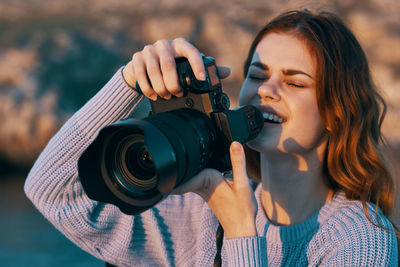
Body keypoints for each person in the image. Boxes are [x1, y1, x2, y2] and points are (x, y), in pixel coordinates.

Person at [24, 9, 398, 266]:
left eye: (294, 81)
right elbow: (51, 190)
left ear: (337, 111)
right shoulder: (198, 213)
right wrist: (128, 83)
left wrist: (239, 234)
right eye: (257, 74)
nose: (266, 90)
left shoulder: (360, 241)